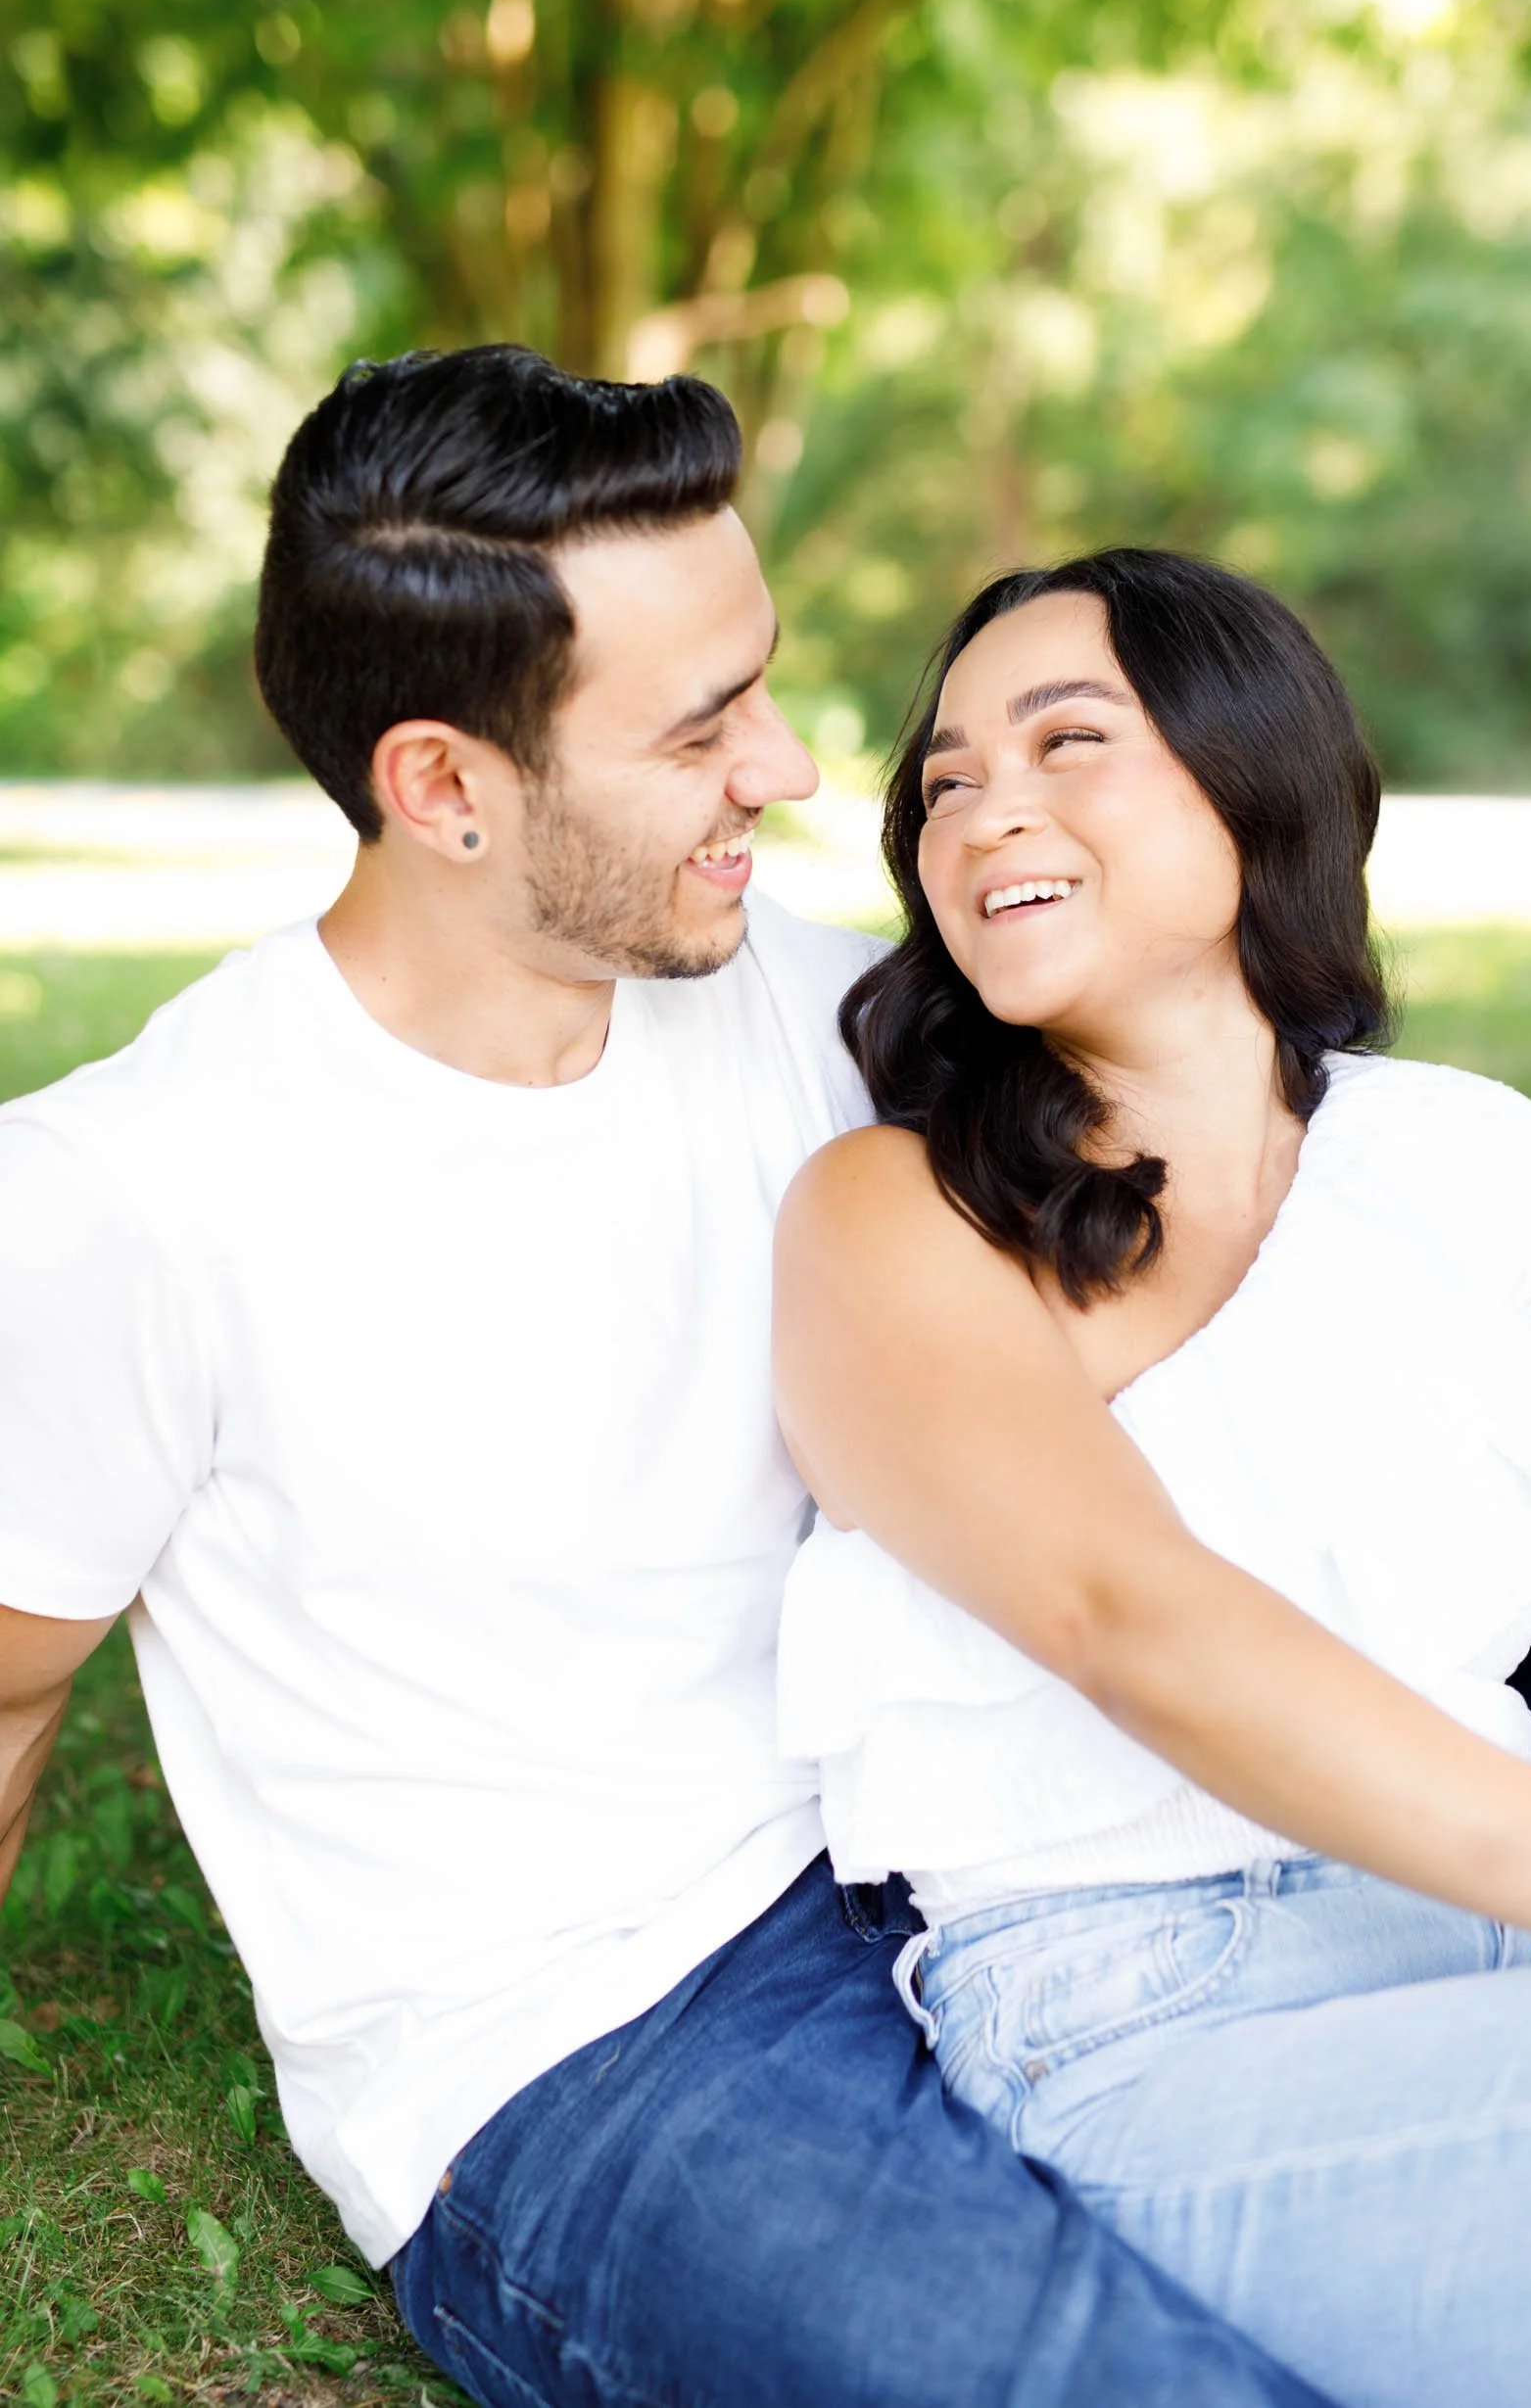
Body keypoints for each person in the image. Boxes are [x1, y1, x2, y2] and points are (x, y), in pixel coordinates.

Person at [0, 351, 1344, 2408]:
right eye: (703, 724)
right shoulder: (135, 1188)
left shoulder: (808, 1008)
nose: (797, 770)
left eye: (766, 684)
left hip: (970, 1841)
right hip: (592, 2036)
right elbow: (12, 1685)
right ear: (443, 784)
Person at [772, 547, 1531, 2408]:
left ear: (1250, 776)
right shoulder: (895, 1216)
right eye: (941, 780)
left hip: (1522, 1948)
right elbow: (1133, 1621)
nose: (981, 804)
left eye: (1065, 739)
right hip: (1146, 2011)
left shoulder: (1479, 1166)